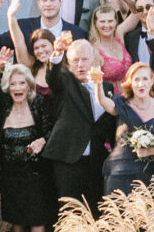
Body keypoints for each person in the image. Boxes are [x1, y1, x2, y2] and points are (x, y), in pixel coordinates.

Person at [36, 39, 112, 218]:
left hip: (95, 159)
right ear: (68, 64)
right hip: (68, 159)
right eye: (75, 60)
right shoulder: (65, 82)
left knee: (94, 211)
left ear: (93, 60)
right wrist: (56, 55)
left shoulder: (105, 87)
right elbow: (52, 77)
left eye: (85, 59)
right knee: (69, 212)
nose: (80, 65)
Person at [0, 64, 51, 232]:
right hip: (10, 174)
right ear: (8, 87)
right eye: (13, 83)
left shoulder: (39, 103)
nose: (17, 87)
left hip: (36, 174)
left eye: (22, 83)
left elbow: (51, 130)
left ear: (29, 85)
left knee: (37, 218)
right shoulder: (3, 106)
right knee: (16, 217)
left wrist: (43, 140)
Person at [104, 62, 154, 198]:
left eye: (145, 79)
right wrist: (97, 84)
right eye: (136, 79)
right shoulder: (121, 103)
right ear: (130, 82)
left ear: (152, 80)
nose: (141, 84)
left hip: (148, 170)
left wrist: (152, 151)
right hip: (120, 168)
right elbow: (104, 102)